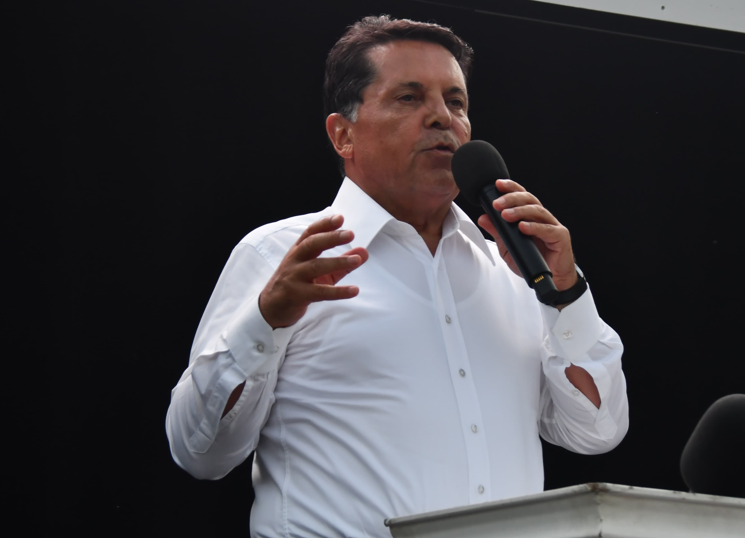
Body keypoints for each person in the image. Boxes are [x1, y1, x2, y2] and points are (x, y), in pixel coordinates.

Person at [166, 15, 629, 537]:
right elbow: (200, 453)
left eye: (456, 102)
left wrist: (566, 294)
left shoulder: (517, 267)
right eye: (410, 97)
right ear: (343, 135)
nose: (441, 117)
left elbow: (596, 432)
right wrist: (264, 321)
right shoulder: (280, 255)